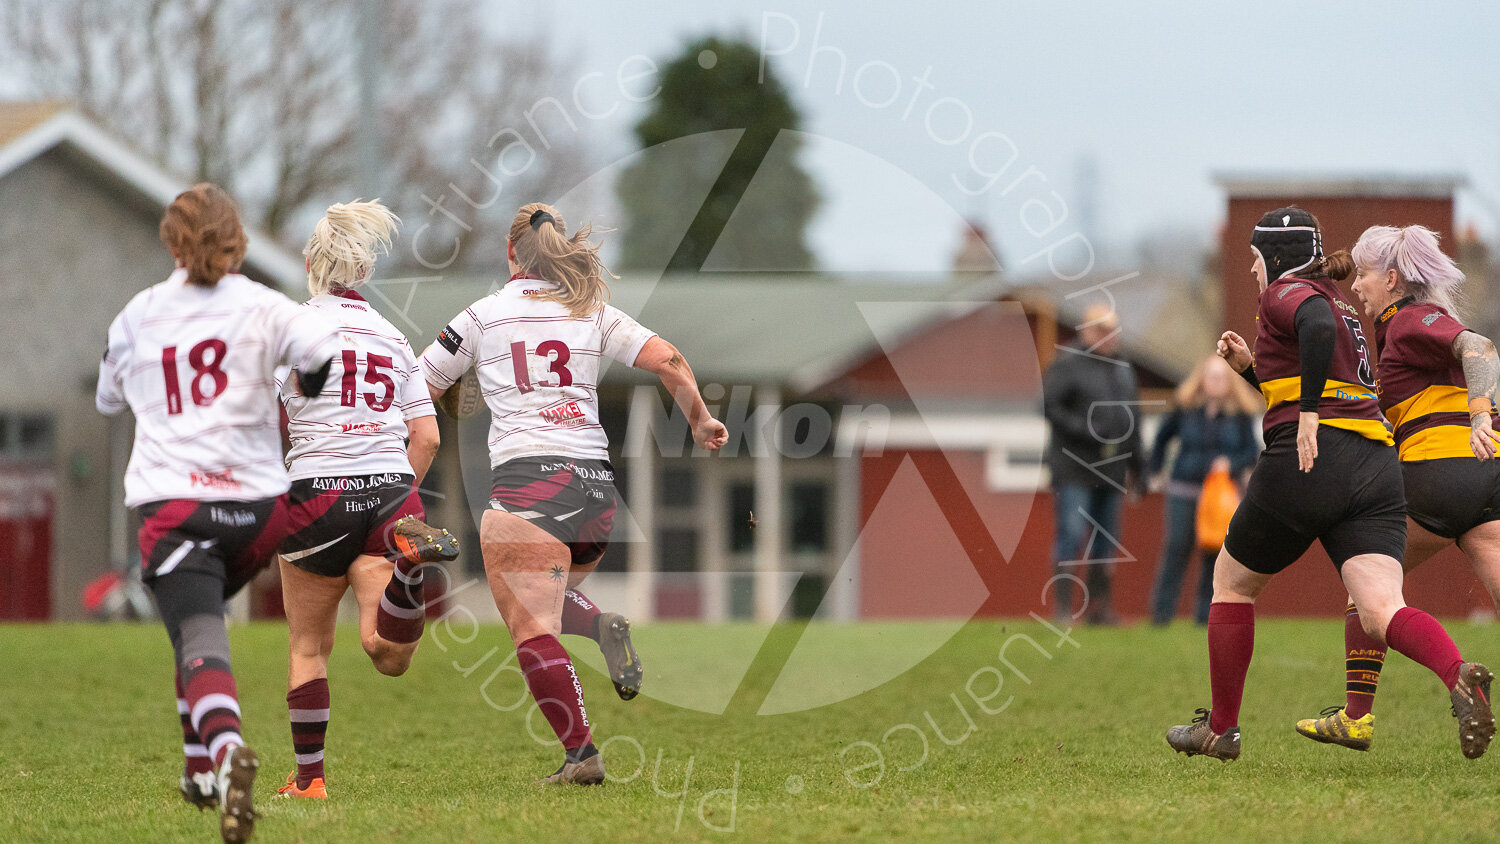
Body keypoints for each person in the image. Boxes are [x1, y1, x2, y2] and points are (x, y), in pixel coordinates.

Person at [1166, 207, 1493, 762]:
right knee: (1380, 607)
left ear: (1276, 257)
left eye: (1255, 258)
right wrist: (1251, 369)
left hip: (1313, 458)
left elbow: (1313, 344)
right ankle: (1457, 674)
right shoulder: (1345, 308)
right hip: (1377, 467)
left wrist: (1309, 415)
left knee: (1231, 584)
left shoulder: (1290, 293)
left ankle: (1221, 729)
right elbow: (1316, 377)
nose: (1252, 270)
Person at [419, 202, 727, 784]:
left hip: (529, 482)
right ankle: (602, 625)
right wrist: (700, 419)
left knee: (531, 627)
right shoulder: (592, 310)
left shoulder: (482, 316)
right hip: (596, 492)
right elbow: (669, 359)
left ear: (510, 252)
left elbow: (418, 387)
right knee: (546, 593)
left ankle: (580, 756)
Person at [97, 183, 340, 842]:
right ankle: (199, 771)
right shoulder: (264, 303)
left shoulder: (141, 313)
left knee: (199, 634)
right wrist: (305, 387)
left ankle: (228, 756)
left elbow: (107, 399)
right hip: (259, 512)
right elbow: (322, 350)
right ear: (238, 240)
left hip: (178, 507)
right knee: (195, 627)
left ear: (171, 241)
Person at [273, 200, 461, 799]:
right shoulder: (393, 337)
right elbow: (426, 436)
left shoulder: (289, 328)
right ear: (364, 272)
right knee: (387, 653)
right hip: (390, 497)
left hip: (318, 496)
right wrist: (398, 497)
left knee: (308, 646)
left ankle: (310, 781)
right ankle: (408, 567)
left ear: (310, 265)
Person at [1295, 224, 1500, 751]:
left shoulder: (1412, 319)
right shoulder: (1395, 334)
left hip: (1439, 474)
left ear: (1391, 279)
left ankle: (1357, 717)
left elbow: (1480, 347)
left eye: (1363, 274)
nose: (1356, 285)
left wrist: (1480, 414)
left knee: (1367, 586)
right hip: (1487, 478)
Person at [1043, 303, 1146, 625]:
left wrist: (1139, 468)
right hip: (1074, 468)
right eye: (1102, 330)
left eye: (1112, 330)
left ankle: (1100, 610)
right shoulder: (1067, 365)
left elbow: (1133, 421)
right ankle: (1063, 610)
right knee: (1072, 534)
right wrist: (1086, 429)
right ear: (1086, 331)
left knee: (1106, 538)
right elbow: (1049, 407)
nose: (1109, 336)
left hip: (1112, 470)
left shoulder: (1122, 369)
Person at [1147, 356, 1261, 626]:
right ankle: (1161, 615)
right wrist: (1155, 472)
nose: (1216, 382)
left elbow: (1251, 452)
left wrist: (1230, 463)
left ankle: (1206, 616)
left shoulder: (1240, 414)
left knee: (1215, 554)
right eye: (1212, 376)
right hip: (1183, 489)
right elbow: (1161, 440)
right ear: (1201, 380)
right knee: (1176, 548)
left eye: (1222, 377)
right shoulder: (1185, 409)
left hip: (1220, 495)